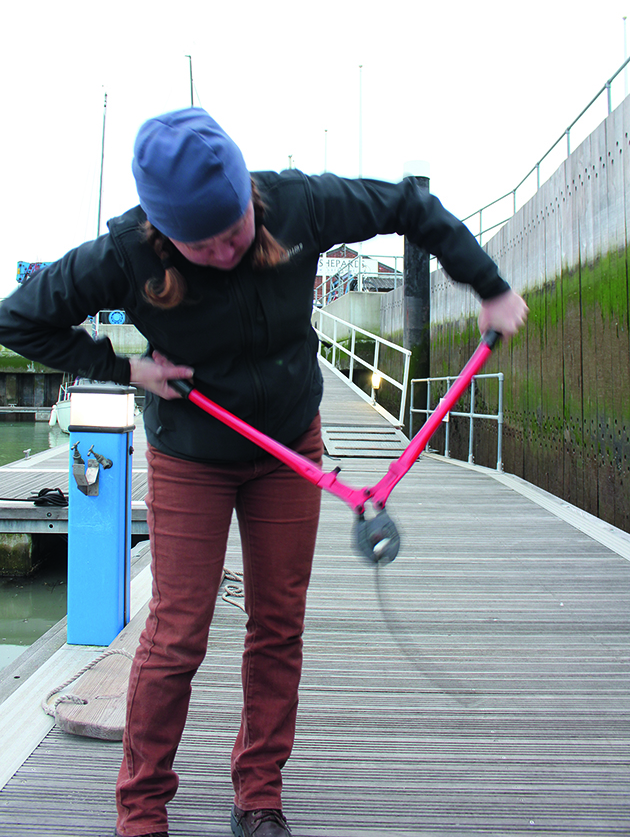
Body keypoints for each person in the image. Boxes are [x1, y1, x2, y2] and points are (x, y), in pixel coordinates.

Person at [0, 108, 528, 837]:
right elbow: (18, 318)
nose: (221, 250)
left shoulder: (299, 203)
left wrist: (490, 285)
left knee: (278, 623)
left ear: (251, 200)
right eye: (200, 242)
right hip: (191, 454)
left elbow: (412, 204)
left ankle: (259, 793)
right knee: (178, 629)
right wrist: (125, 367)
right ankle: (142, 809)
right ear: (163, 232)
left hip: (289, 441)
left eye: (234, 231)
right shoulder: (126, 250)